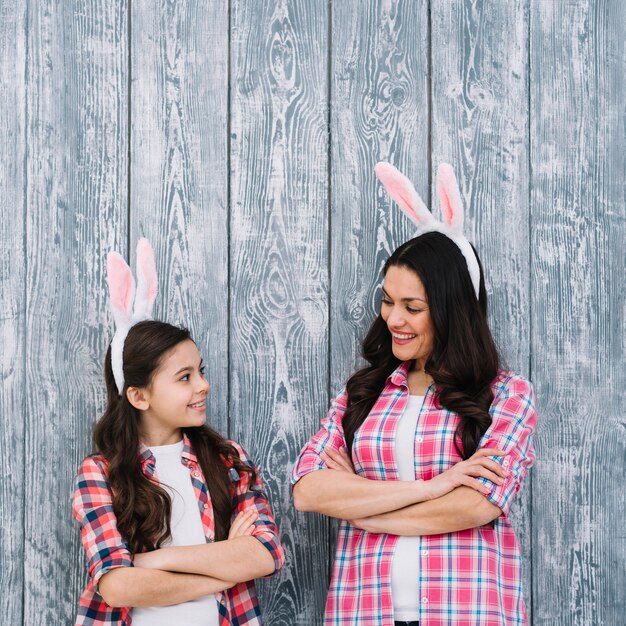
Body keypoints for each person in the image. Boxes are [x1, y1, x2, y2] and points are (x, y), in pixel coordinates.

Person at [292, 163, 537, 626]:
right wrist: (436, 486)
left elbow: (475, 505)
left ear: (453, 312)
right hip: (363, 611)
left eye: (413, 307)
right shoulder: (363, 394)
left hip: (467, 610)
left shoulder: (506, 396)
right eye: (387, 300)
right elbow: (308, 490)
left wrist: (361, 505)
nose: (393, 319)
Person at [72, 240, 283, 626]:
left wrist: (153, 562)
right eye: (185, 377)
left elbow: (264, 555)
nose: (202, 385)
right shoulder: (101, 473)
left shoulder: (227, 459)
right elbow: (117, 587)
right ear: (138, 395)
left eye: (201, 371)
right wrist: (224, 559)